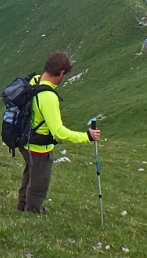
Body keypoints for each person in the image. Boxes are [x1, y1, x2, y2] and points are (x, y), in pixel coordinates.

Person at [18, 51, 100, 213]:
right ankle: (33, 211)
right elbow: (58, 132)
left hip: (25, 140)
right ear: (61, 73)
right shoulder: (48, 96)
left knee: (30, 174)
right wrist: (87, 136)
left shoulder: (34, 80)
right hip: (39, 147)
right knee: (40, 182)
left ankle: (22, 205)